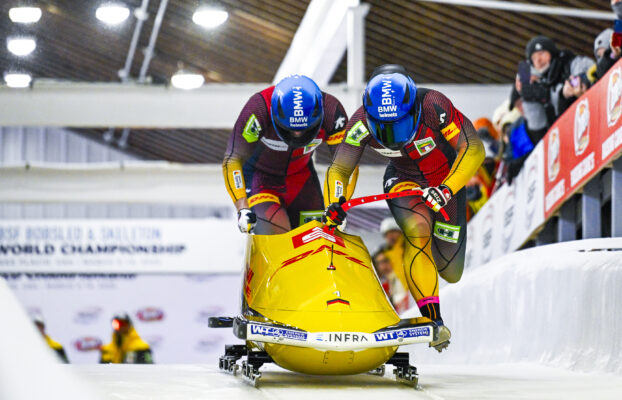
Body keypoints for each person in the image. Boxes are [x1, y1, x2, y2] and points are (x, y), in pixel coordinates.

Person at [323, 64, 485, 352]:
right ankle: (433, 320)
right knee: (417, 229)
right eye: (384, 127)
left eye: (399, 124)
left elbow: (473, 148)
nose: (393, 135)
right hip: (403, 180)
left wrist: (447, 189)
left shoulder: (434, 105)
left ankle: (430, 277)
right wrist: (335, 202)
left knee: (451, 271)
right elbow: (340, 169)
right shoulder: (359, 123)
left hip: (447, 179)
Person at [223, 75, 354, 234]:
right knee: (276, 235)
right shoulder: (258, 109)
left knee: (318, 238)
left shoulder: (332, 111)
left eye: (304, 128)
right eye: (290, 129)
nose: (297, 134)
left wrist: (336, 203)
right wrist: (242, 207)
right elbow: (233, 159)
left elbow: (345, 165)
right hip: (261, 180)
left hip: (301, 179)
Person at [516, 36, 594, 138]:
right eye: (534, 58)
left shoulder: (567, 63)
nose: (538, 60)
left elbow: (586, 69)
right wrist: (528, 94)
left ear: (551, 53)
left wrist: (576, 82)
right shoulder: (540, 82)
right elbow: (538, 127)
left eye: (541, 53)